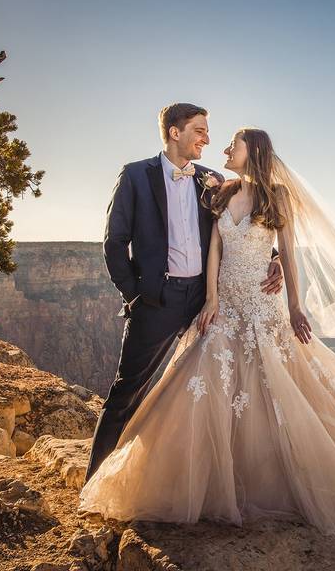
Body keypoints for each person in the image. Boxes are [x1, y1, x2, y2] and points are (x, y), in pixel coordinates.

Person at [79, 128, 335, 535]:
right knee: (205, 386)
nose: (224, 148)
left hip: (262, 306)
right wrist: (212, 300)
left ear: (256, 151)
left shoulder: (278, 196)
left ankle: (277, 482)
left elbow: (286, 250)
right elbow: (214, 247)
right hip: (221, 305)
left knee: (273, 387)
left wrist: (294, 302)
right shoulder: (223, 190)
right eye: (215, 138)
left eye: (234, 143)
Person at [84, 105, 283, 483]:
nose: (207, 139)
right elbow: (114, 242)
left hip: (209, 301)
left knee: (221, 389)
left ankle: (208, 482)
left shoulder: (211, 179)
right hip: (158, 301)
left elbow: (240, 230)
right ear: (175, 133)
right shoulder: (136, 175)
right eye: (200, 131)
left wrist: (276, 261)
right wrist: (136, 295)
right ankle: (95, 483)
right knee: (127, 392)